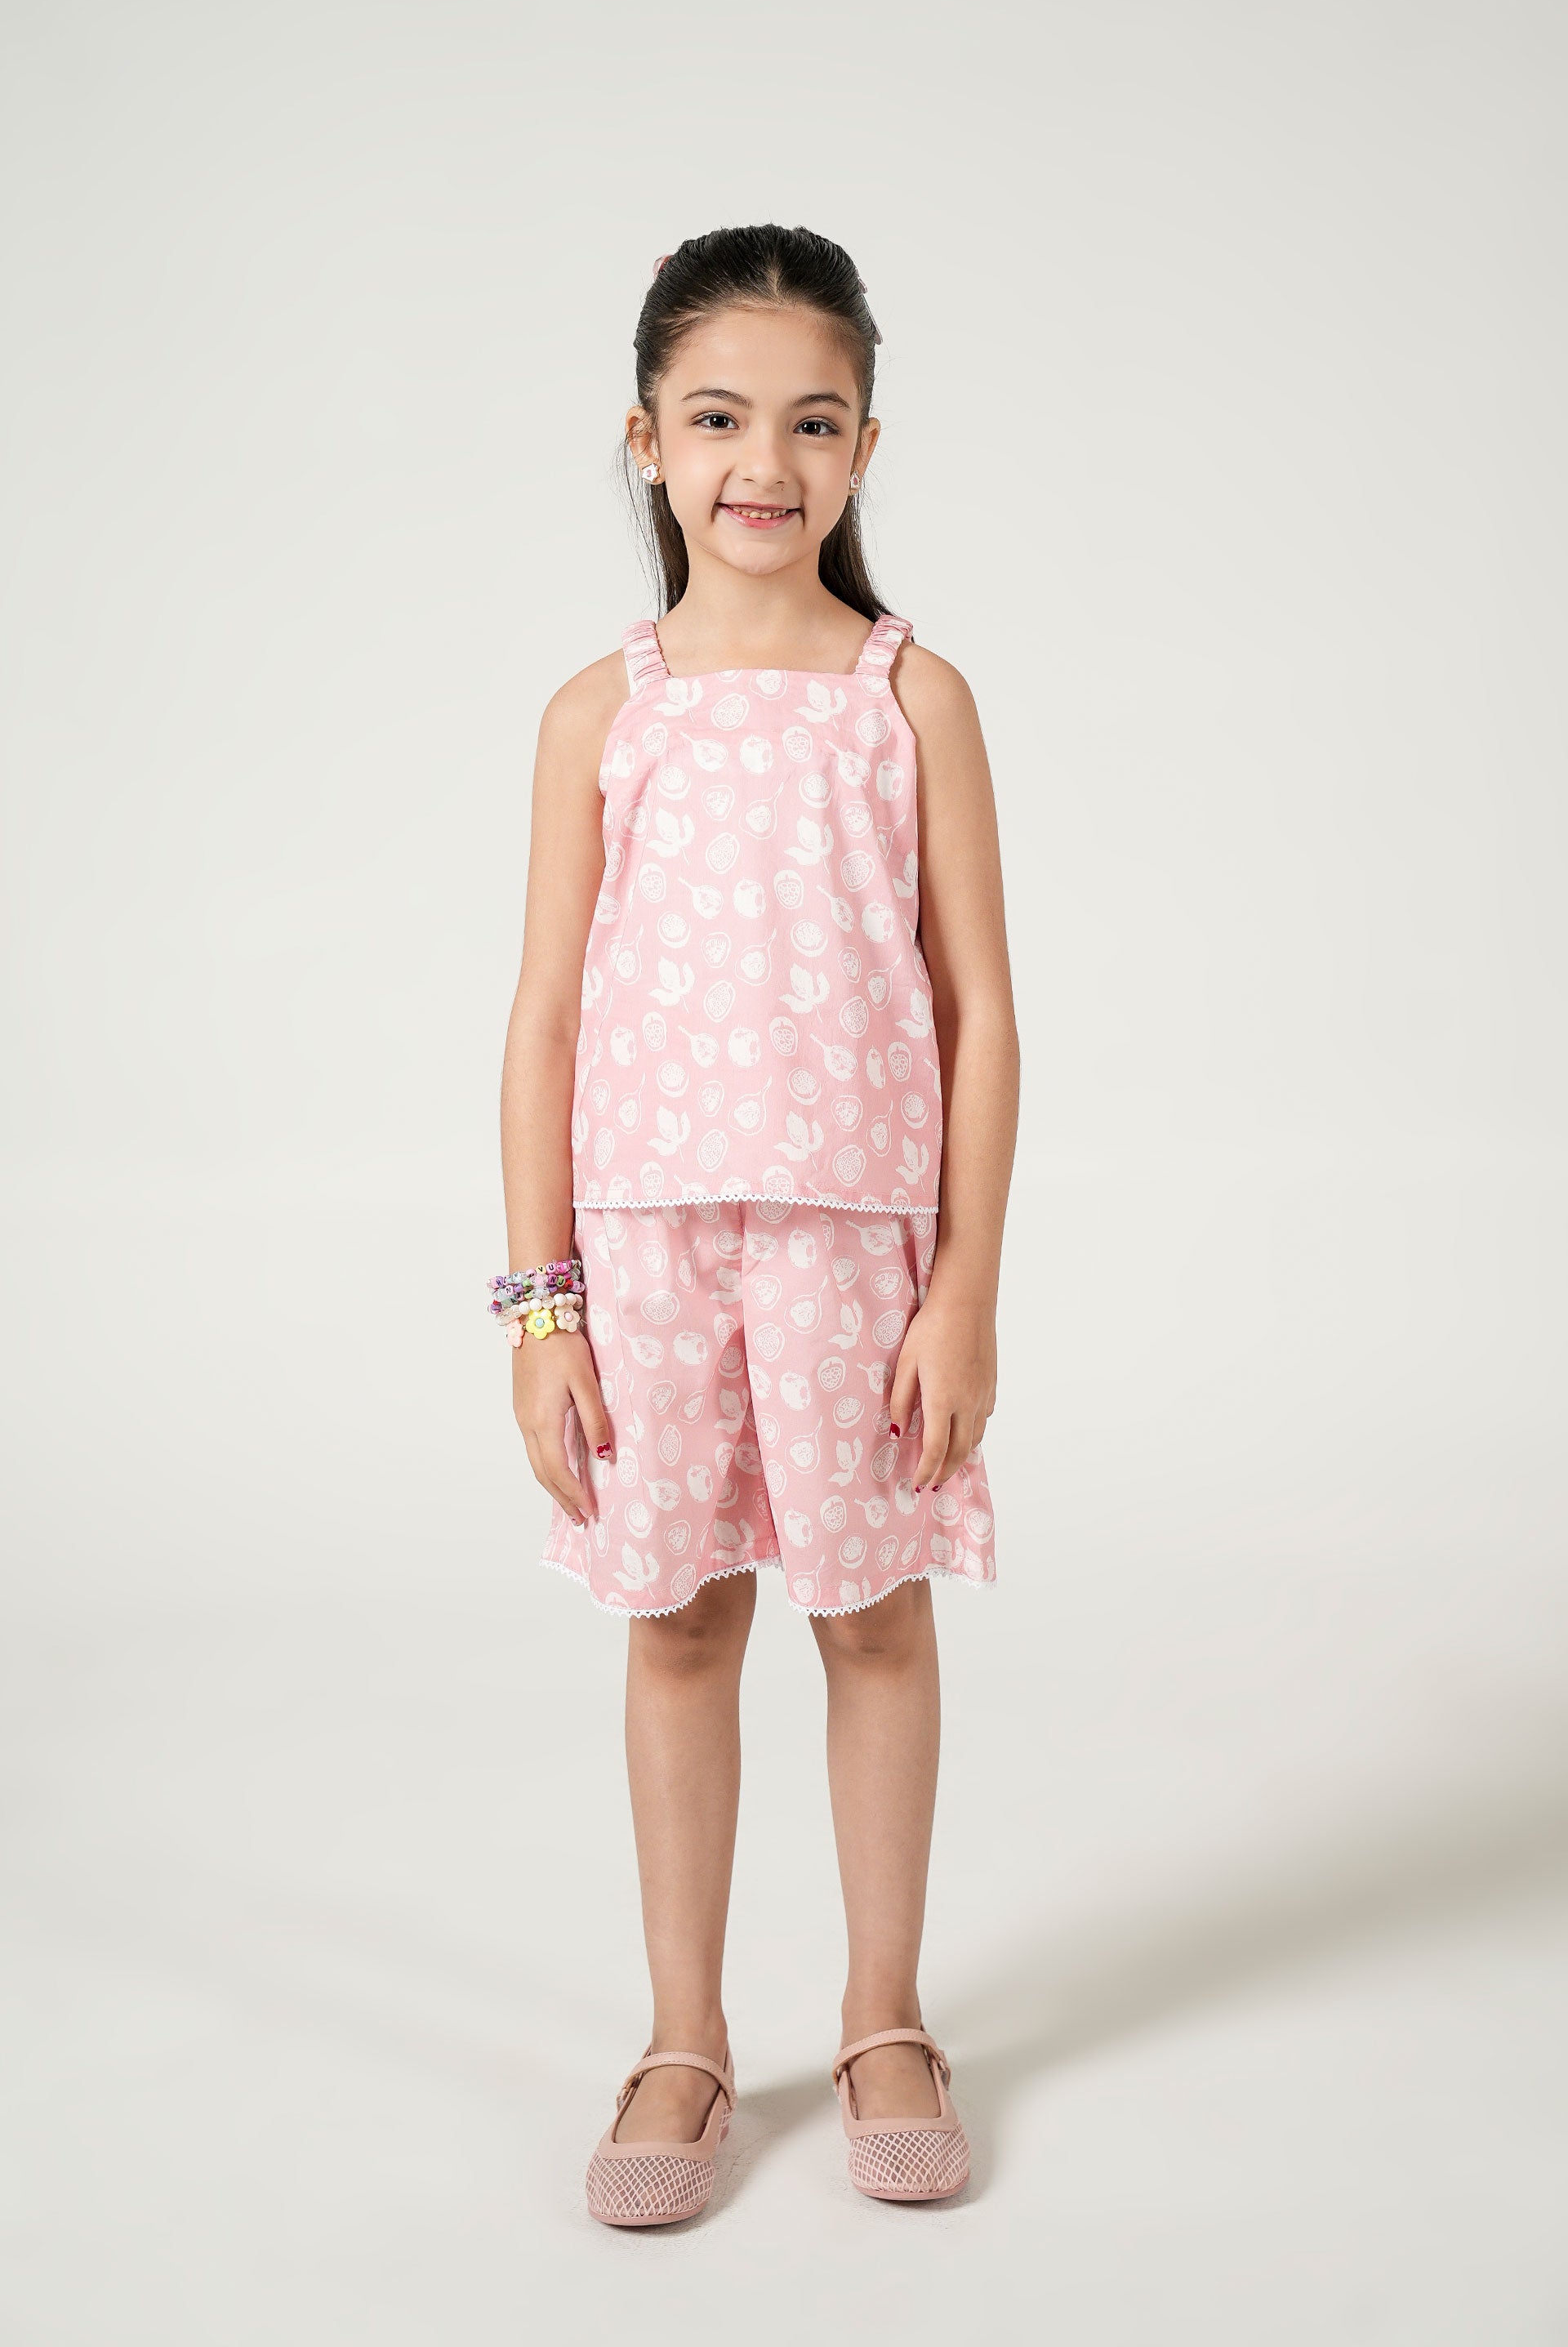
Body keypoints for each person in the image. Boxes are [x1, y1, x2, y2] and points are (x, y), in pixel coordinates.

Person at [496, 224, 1019, 2224]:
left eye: (812, 422)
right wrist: (544, 1310)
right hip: (643, 1244)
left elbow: (979, 1012)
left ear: (864, 447)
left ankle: (886, 2014)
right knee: (682, 1618)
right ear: (647, 439)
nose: (763, 463)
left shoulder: (913, 700)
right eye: (718, 418)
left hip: (852, 1245)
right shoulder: (599, 713)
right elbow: (546, 1019)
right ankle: (685, 2036)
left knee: (871, 1616)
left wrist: (963, 1291)